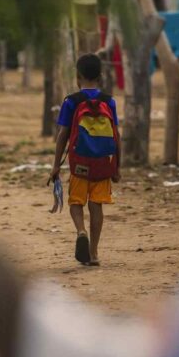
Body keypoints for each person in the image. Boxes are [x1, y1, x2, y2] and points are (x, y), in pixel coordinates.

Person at [47, 53, 120, 266]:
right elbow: (117, 135)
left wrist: (55, 165)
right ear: (100, 76)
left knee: (76, 202)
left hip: (80, 163)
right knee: (96, 205)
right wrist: (117, 167)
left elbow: (63, 135)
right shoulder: (109, 101)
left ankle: (81, 231)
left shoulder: (71, 102)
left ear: (78, 76)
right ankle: (94, 253)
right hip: (103, 163)